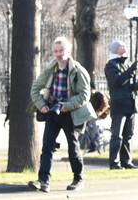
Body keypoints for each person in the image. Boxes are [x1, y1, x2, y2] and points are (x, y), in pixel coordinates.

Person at [27, 36, 92, 192]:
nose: (58, 54)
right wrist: (42, 105)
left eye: (61, 50)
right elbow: (35, 89)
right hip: (53, 112)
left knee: (73, 146)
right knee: (47, 147)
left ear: (68, 51)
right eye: (56, 51)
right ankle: (43, 181)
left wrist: (67, 106)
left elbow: (84, 95)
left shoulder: (78, 70)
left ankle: (78, 179)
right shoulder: (50, 69)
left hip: (71, 114)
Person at [104, 40, 138, 169]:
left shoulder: (127, 64)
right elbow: (117, 81)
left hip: (130, 103)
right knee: (117, 135)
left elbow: (128, 83)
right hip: (119, 104)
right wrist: (130, 70)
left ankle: (126, 161)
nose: (124, 46)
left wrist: (136, 84)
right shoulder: (111, 65)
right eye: (121, 45)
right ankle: (114, 162)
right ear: (115, 49)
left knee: (128, 135)